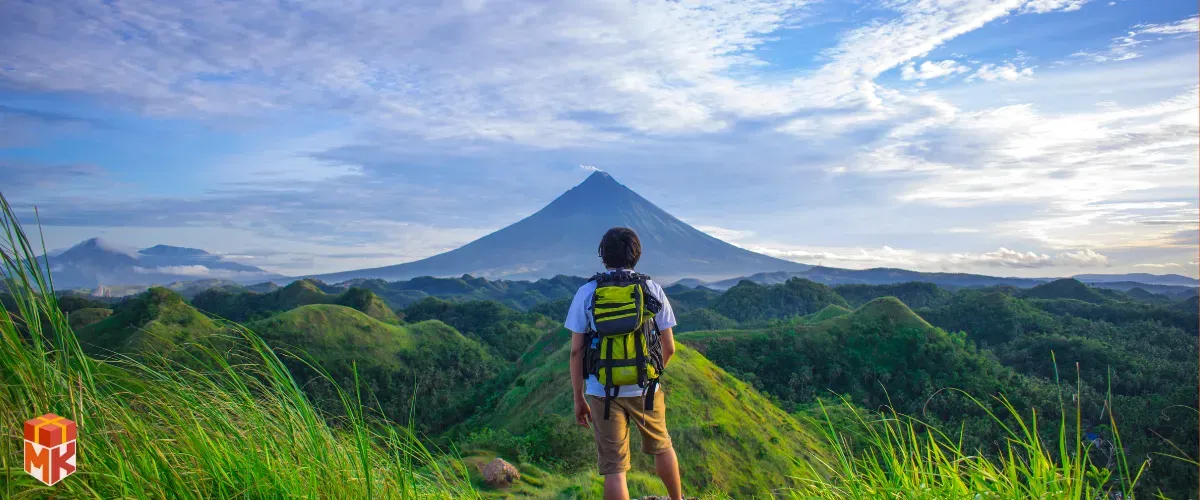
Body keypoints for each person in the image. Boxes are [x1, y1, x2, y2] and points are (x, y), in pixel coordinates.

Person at [565, 227, 683, 500]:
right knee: (663, 447)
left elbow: (576, 351)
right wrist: (650, 376)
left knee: (615, 468)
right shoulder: (651, 288)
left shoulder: (587, 292)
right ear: (636, 255)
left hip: (602, 389)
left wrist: (578, 397)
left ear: (603, 256)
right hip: (646, 389)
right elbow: (670, 347)